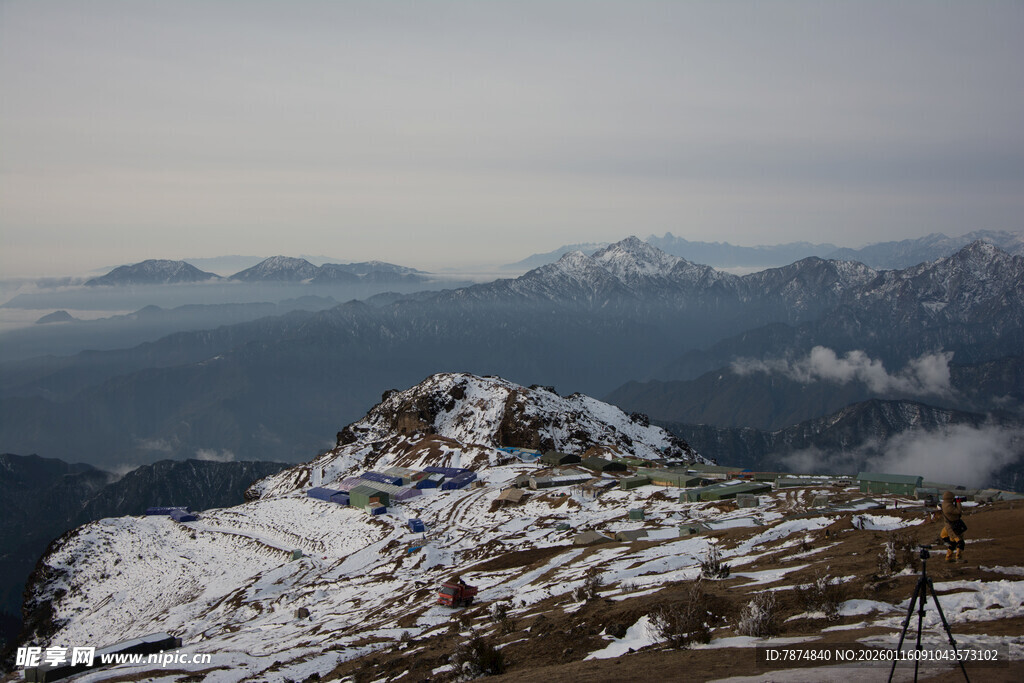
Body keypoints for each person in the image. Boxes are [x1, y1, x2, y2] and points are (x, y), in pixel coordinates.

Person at [940, 490, 965, 562]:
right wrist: (958, 502)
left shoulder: (946, 504)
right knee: (960, 542)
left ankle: (948, 557)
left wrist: (956, 502)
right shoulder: (948, 506)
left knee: (953, 542)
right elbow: (959, 511)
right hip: (952, 527)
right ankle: (958, 558)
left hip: (951, 526)